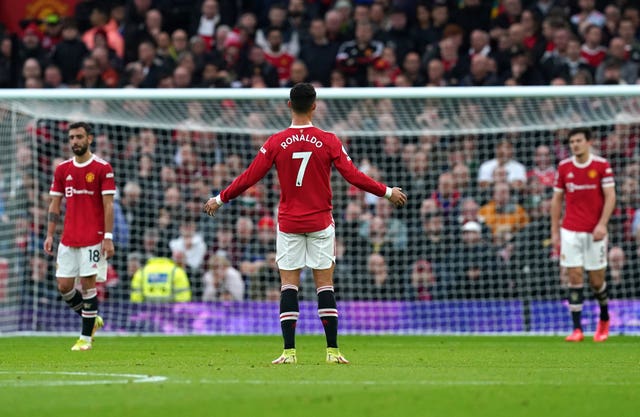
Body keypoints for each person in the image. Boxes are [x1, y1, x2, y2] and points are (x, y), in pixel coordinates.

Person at [203, 83, 407, 364]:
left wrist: (219, 198)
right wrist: (387, 192)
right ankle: (332, 352)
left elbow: (250, 176)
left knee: (289, 286)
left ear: (289, 105)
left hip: (289, 224)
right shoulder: (329, 140)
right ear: (314, 106)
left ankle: (289, 352)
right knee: (325, 286)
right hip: (320, 222)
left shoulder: (275, 142)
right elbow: (353, 175)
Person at [44, 122, 116, 351]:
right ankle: (92, 319)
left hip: (94, 237)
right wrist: (49, 234)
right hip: (68, 237)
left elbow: (109, 205)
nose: (75, 141)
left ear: (89, 139)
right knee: (64, 286)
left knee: (87, 284)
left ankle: (85, 339)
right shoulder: (62, 169)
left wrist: (108, 237)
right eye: (72, 138)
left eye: (79, 137)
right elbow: (55, 204)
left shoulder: (103, 168)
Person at [551, 127, 616, 343]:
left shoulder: (601, 165)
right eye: (572, 142)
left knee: (596, 281)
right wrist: (555, 231)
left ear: (589, 142)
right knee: (574, 276)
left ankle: (604, 318)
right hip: (570, 230)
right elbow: (557, 200)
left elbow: (610, 196)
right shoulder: (564, 167)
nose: (575, 145)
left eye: (579, 140)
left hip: (594, 231)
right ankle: (577, 329)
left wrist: (602, 225)